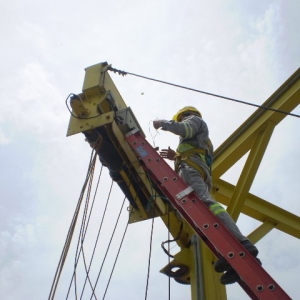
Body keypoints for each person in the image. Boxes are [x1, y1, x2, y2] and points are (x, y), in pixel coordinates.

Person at [153, 106, 261, 285]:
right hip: (194, 167)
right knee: (200, 211)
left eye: (182, 118)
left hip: (192, 169)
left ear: (187, 115)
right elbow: (194, 150)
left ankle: (241, 243)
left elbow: (184, 129)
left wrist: (161, 123)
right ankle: (234, 258)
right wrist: (176, 156)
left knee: (203, 204)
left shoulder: (194, 120)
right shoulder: (201, 138)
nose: (182, 121)